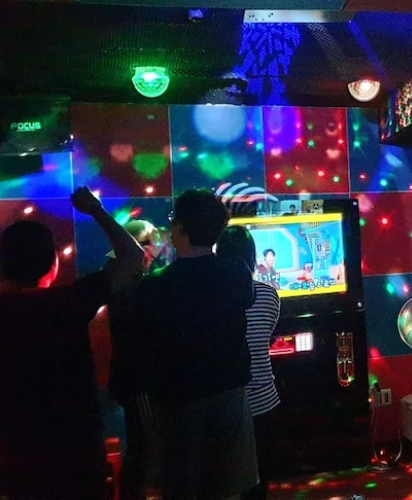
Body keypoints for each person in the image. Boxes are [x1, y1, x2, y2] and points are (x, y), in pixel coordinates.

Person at [0, 187, 144, 499]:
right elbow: (133, 258)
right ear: (54, 262)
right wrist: (96, 210)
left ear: (4, 265)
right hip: (76, 442)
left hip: (19, 446)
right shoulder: (70, 301)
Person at [130, 189, 257, 499]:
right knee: (227, 482)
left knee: (182, 481)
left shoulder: (155, 284)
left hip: (179, 396)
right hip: (230, 388)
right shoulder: (237, 273)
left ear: (181, 229)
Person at [216, 226, 282, 500]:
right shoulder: (269, 294)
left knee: (225, 479)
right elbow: (266, 337)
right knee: (259, 478)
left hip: (224, 399)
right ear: (253, 258)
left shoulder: (211, 296)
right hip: (265, 399)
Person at [107, 219, 166, 499]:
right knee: (146, 448)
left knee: (145, 448)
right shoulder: (128, 282)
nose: (155, 253)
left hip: (135, 376)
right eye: (151, 246)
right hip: (137, 378)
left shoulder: (122, 277)